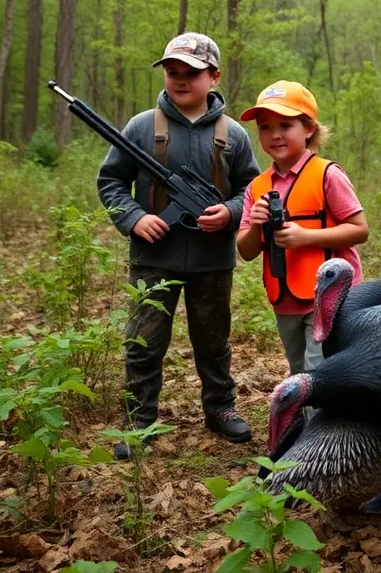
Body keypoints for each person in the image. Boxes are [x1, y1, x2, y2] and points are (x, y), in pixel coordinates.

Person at [98, 32, 261, 456]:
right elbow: (111, 181)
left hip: (212, 259)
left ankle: (221, 409)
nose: (181, 80)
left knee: (213, 340)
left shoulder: (234, 134)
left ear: (214, 76)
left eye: (192, 73)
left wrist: (231, 212)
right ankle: (138, 419)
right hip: (154, 257)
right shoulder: (141, 126)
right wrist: (134, 218)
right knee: (144, 340)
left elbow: (254, 188)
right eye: (173, 72)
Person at [236, 80, 369, 376]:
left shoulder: (327, 175)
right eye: (266, 127)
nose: (275, 135)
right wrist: (256, 226)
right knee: (298, 370)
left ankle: (320, 423)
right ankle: (301, 421)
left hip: (329, 295)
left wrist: (305, 237)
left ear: (308, 128)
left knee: (316, 370)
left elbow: (359, 229)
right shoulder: (257, 187)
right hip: (285, 299)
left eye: (285, 125)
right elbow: (245, 251)